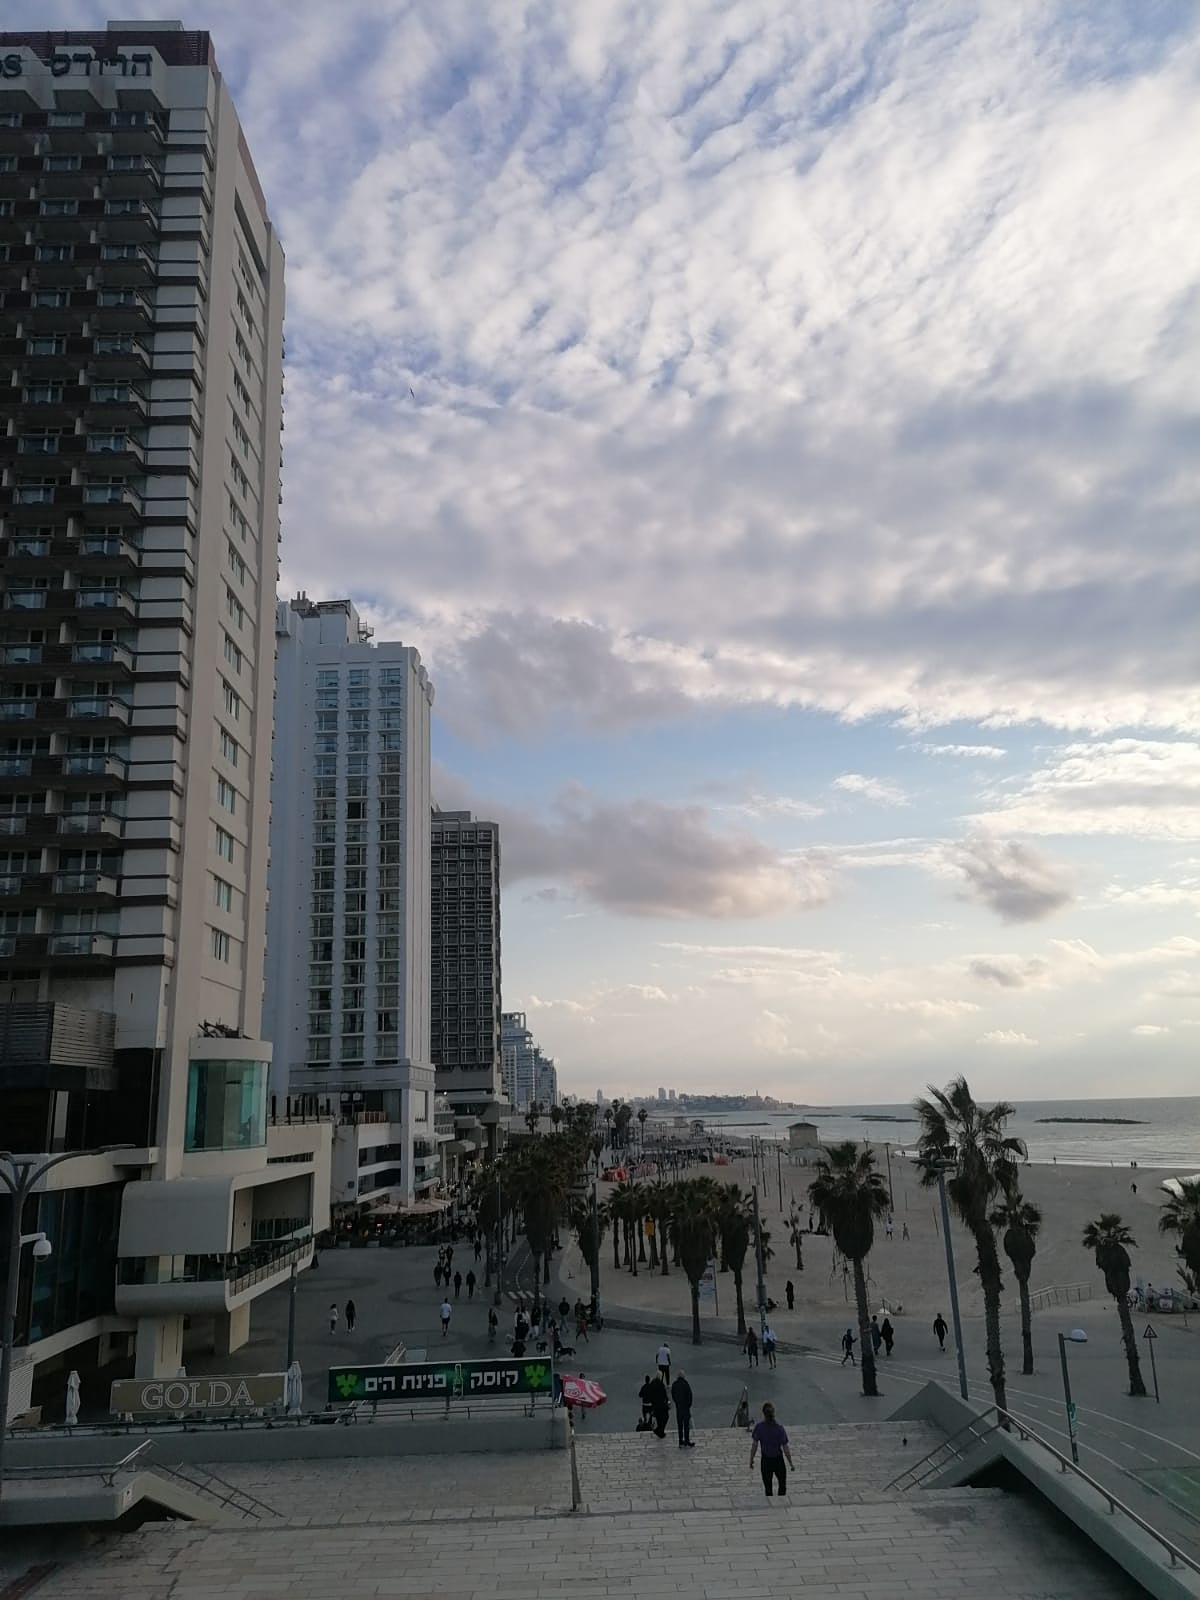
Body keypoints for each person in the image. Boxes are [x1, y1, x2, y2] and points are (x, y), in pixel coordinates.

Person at [750, 1401, 793, 1498]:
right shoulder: (779, 1428)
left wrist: (751, 1459)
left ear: (763, 1413)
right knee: (782, 1486)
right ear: (774, 1413)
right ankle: (782, 1504)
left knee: (768, 1488)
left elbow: (754, 1445)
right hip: (778, 1460)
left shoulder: (759, 1427)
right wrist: (790, 1463)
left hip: (766, 1461)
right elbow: (785, 1447)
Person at [671, 1370, 695, 1447]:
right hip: (685, 1408)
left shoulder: (675, 1384)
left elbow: (673, 1394)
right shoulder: (685, 1384)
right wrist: (688, 1405)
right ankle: (687, 1441)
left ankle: (680, 1441)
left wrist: (677, 1402)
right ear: (683, 1376)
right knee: (686, 1425)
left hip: (678, 1408)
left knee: (680, 1425)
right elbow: (690, 1395)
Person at [647, 1373, 670, 1438]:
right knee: (666, 1417)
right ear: (660, 1377)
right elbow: (664, 1394)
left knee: (659, 1419)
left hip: (655, 1405)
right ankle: (659, 1431)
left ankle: (660, 1433)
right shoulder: (661, 1384)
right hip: (662, 1405)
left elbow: (650, 1394)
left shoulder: (652, 1384)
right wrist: (667, 1401)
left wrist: (652, 1402)